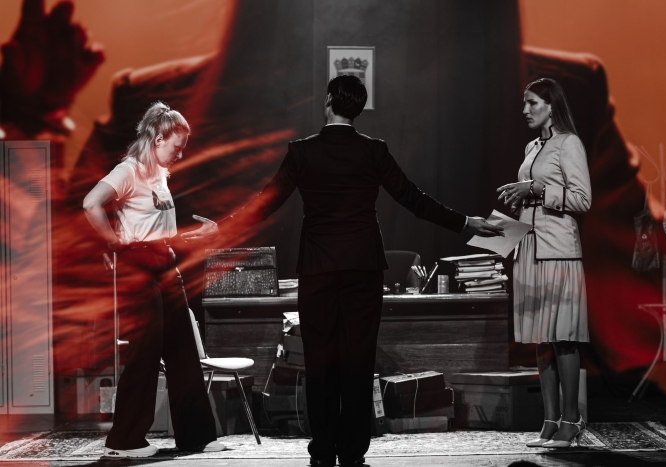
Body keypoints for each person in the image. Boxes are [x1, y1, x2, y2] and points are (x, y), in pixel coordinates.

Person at [182, 75, 503, 466]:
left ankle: (322, 452)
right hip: (363, 267)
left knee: (320, 361)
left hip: (318, 268)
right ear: (358, 108)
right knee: (358, 361)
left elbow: (266, 201)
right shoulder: (373, 151)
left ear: (329, 101)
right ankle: (352, 454)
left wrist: (222, 227)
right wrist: (465, 222)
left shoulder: (302, 151)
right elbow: (413, 199)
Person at [82, 102, 223, 458]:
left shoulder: (159, 173)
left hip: (165, 262)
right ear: (158, 139)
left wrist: (191, 237)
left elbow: (157, 228)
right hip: (138, 267)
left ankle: (196, 436)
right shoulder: (128, 170)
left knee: (182, 349)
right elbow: (90, 203)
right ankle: (124, 441)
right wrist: (112, 242)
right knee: (144, 351)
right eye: (177, 146)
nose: (180, 153)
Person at [497, 78, 591, 448]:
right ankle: (550, 421)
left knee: (563, 338)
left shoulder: (569, 143)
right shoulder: (532, 146)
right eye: (524, 103)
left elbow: (582, 199)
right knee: (542, 338)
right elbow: (533, 198)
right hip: (529, 251)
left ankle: (571, 420)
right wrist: (515, 205)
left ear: (551, 106)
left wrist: (537, 189)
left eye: (532, 102)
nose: (525, 110)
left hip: (558, 252)